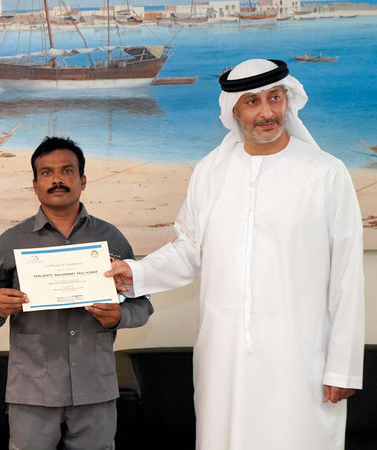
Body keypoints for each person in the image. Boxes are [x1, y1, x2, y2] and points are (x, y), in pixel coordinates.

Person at [106, 59, 364, 449]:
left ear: (288, 100)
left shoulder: (326, 172)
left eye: (274, 98)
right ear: (234, 111)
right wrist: (136, 273)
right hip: (224, 358)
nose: (267, 112)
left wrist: (343, 368)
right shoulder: (210, 172)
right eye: (252, 101)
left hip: (300, 358)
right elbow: (190, 250)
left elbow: (347, 275)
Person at [0, 136, 153, 449]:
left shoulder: (111, 237)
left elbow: (143, 303)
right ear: (35, 184)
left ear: (82, 180)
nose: (57, 179)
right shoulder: (12, 240)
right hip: (32, 389)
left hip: (94, 387)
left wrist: (119, 316)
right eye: (47, 173)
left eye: (67, 171)